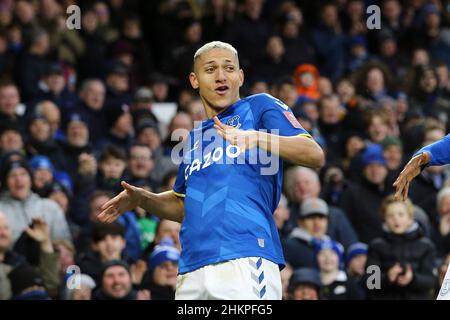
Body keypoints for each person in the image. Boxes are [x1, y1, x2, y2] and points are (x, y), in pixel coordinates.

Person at [99, 41, 324, 300]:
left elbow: (314, 154)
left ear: (240, 76)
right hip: (192, 267)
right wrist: (143, 199)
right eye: (210, 69)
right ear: (194, 80)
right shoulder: (194, 138)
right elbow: (184, 205)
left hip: (246, 255)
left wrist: (257, 138)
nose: (221, 76)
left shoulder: (260, 107)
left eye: (229, 68)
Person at [365, 195, 437, 300]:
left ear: (410, 218)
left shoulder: (426, 246)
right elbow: (371, 283)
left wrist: (412, 278)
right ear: (384, 220)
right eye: (390, 215)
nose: (396, 219)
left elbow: (430, 281)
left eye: (401, 214)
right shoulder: (376, 246)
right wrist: (388, 277)